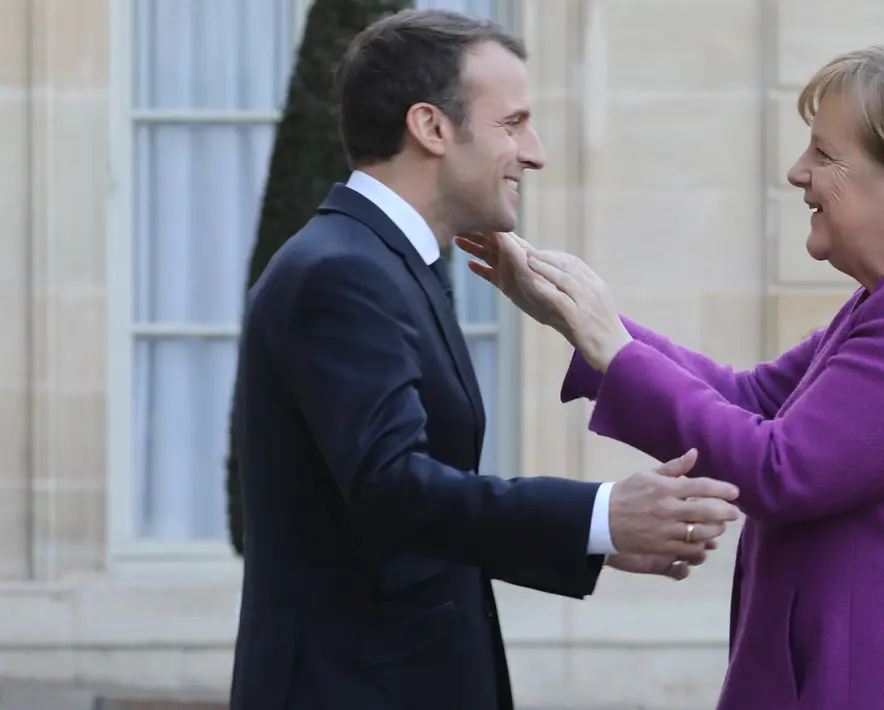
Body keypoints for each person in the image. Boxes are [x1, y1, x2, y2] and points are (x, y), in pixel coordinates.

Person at [460, 45, 884, 709]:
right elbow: (750, 398)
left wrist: (614, 348)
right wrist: (579, 319)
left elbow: (781, 468)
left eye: (823, 155)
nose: (796, 173)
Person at [229, 9, 741, 710]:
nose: (534, 152)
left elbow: (406, 513)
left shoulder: (383, 263)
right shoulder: (343, 272)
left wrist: (591, 541)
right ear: (431, 128)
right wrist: (597, 515)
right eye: (513, 123)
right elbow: (391, 491)